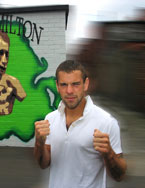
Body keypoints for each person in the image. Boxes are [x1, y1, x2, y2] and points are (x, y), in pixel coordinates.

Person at [34, 60, 127, 188]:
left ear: (86, 84)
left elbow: (120, 176)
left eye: (76, 84)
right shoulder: (50, 119)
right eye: (64, 84)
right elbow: (44, 164)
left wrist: (109, 153)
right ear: (57, 86)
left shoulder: (106, 122)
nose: (70, 90)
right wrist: (39, 142)